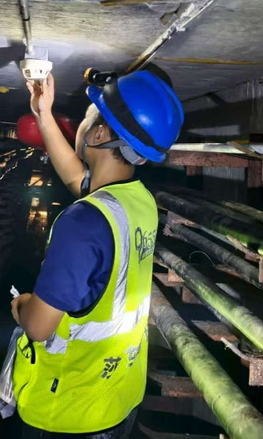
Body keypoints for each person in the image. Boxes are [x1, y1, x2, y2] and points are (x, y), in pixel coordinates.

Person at [10, 70, 184, 438]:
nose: (83, 123)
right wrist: (43, 115)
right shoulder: (138, 201)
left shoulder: (81, 222)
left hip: (69, 411)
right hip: (117, 397)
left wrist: (23, 305)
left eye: (89, 116)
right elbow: (78, 180)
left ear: (100, 134)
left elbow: (39, 327)